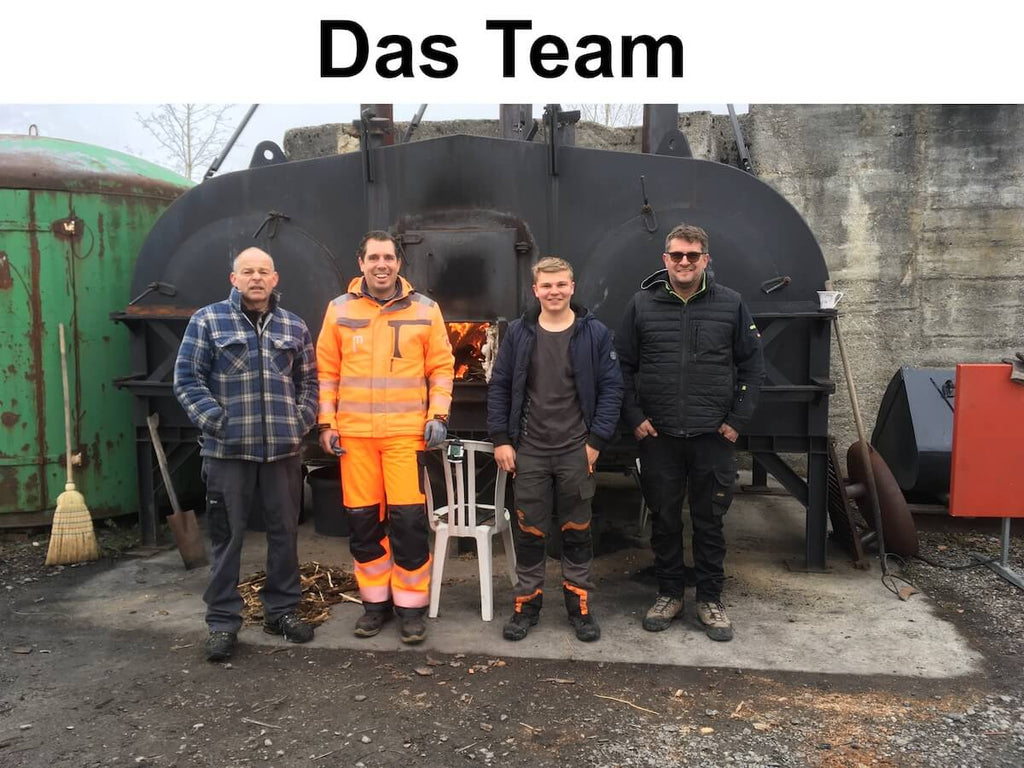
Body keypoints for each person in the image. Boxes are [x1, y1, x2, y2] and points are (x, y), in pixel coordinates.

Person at [615, 224, 764, 642]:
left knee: (709, 521)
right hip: (658, 436)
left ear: (705, 260)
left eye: (692, 255)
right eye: (677, 255)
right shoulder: (642, 305)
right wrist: (634, 416)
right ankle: (669, 594)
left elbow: (753, 367)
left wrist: (737, 420)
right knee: (664, 520)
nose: (684, 262)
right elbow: (620, 365)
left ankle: (710, 600)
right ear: (665, 260)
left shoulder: (731, 304)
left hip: (711, 436)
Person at [174, 246, 319, 662]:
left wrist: (299, 422)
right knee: (227, 538)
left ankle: (281, 612)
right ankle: (222, 622)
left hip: (282, 453)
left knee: (284, 535)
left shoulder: (294, 325)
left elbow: (310, 382)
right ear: (234, 279)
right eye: (248, 271)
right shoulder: (208, 320)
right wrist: (218, 422)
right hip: (227, 454)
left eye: (263, 271)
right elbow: (187, 379)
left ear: (275, 279)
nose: (256, 278)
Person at [316, 231, 454, 645]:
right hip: (354, 438)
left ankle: (411, 610)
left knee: (409, 524)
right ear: (361, 263)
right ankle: (375, 605)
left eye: (388, 258)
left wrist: (438, 415)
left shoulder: (426, 310)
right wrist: (326, 423)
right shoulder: (338, 310)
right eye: (374, 257)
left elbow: (441, 367)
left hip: (405, 438)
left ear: (399, 263)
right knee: (363, 525)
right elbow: (327, 372)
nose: (382, 265)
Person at [488, 256, 623, 642]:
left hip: (576, 451)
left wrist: (596, 442)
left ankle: (579, 607)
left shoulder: (594, 333)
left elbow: (612, 388)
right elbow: (500, 386)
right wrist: (501, 439)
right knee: (530, 532)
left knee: (577, 531)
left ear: (572, 287)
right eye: (546, 286)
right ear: (536, 290)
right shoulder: (519, 333)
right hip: (529, 450)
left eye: (561, 284)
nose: (554, 292)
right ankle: (526, 606)